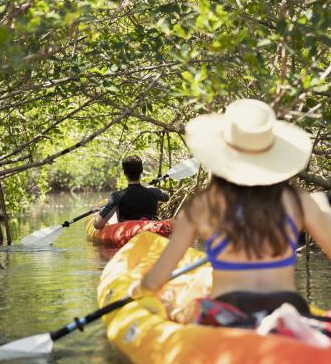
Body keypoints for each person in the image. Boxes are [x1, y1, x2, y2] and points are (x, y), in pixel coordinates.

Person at [128, 99, 331, 321]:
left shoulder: (203, 206)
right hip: (291, 309)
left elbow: (157, 278)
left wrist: (139, 290)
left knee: (173, 304)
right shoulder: (301, 202)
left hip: (228, 314)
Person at [93, 155, 169, 229]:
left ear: (124, 173)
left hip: (128, 232)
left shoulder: (117, 196)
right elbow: (166, 197)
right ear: (141, 171)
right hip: (152, 228)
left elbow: (98, 225)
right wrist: (148, 186)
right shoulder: (154, 192)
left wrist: (97, 213)